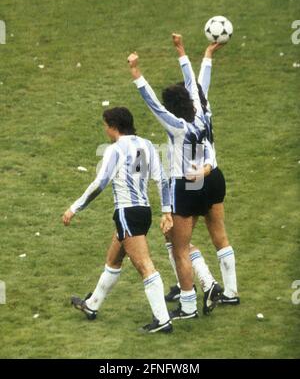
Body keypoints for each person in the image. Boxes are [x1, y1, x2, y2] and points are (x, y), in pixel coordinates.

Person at [128, 43, 220, 320]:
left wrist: (136, 72)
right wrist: (182, 53)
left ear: (172, 107)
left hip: (183, 185)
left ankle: (189, 305)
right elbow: (194, 85)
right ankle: (209, 283)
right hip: (200, 182)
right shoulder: (201, 118)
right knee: (173, 237)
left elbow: (151, 102)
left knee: (179, 248)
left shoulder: (176, 126)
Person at [62, 107, 174, 333]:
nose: (105, 130)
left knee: (144, 266)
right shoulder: (147, 145)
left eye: (105, 125)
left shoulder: (115, 150)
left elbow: (100, 183)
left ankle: (163, 320)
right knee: (113, 259)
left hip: (126, 212)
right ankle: (92, 305)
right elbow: (162, 179)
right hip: (143, 212)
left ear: (113, 126)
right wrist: (166, 211)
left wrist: (74, 208)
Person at [165, 37, 239, 305]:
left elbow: (195, 84)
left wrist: (183, 52)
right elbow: (199, 85)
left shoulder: (183, 123)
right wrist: (207, 54)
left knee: (176, 240)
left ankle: (202, 285)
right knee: (219, 235)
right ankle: (231, 292)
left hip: (194, 177)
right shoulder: (205, 111)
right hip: (214, 175)